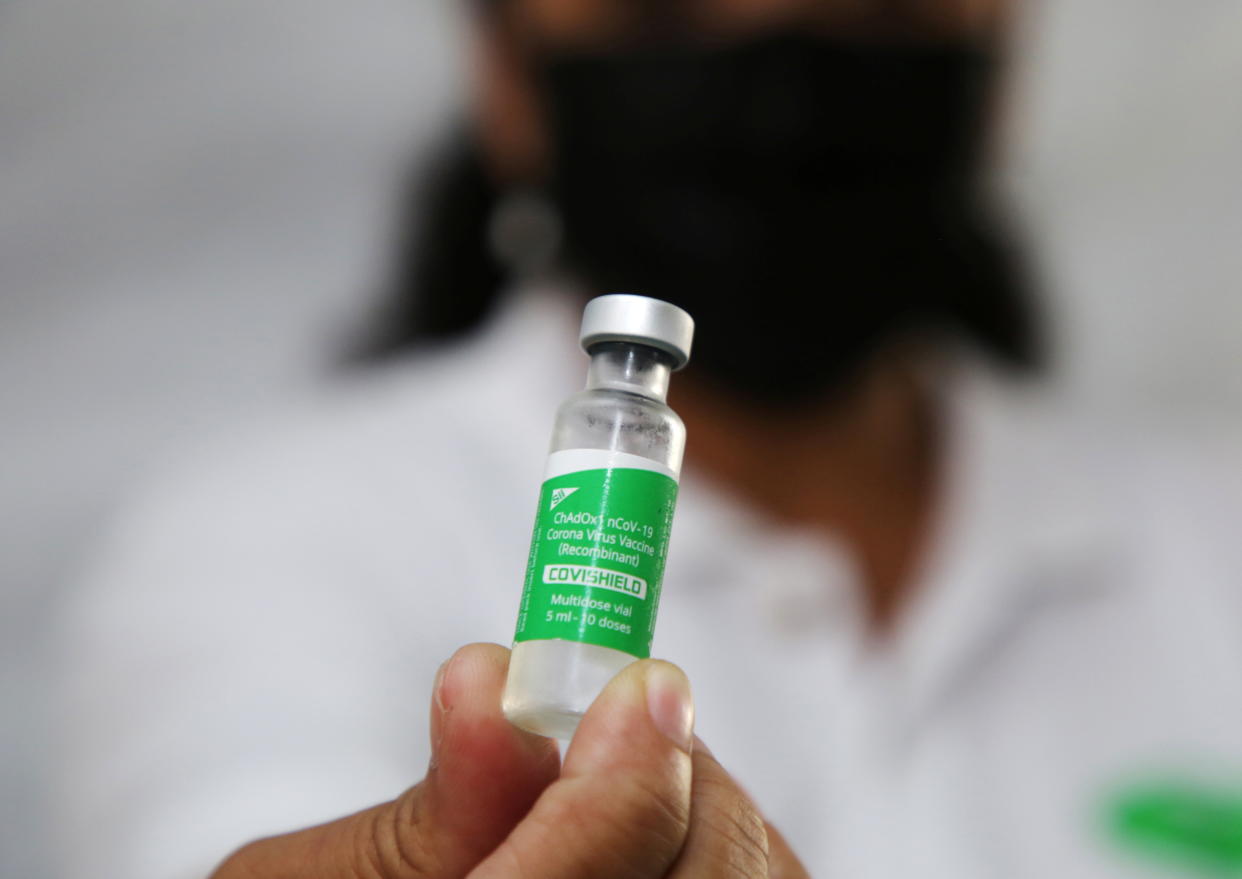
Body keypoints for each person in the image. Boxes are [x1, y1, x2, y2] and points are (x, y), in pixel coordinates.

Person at [54, 0, 1242, 877]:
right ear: (508, 73)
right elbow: (227, 825)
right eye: (664, 19)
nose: (782, 92)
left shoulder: (1210, 539)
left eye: (871, 11)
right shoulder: (274, 533)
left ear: (995, 54)